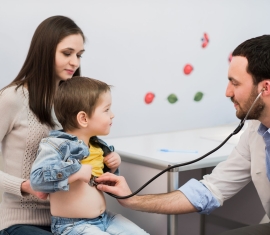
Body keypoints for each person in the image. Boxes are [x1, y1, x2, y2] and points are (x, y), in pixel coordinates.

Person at [95, 34, 270, 235]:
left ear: (264, 87)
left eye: (235, 83)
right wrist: (132, 199)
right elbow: (210, 190)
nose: (227, 92)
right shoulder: (255, 131)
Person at [30, 76, 149, 235]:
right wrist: (76, 172)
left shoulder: (98, 146)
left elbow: (101, 181)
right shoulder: (55, 145)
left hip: (105, 218)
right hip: (72, 225)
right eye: (106, 109)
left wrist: (112, 166)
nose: (112, 115)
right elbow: (37, 180)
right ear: (83, 118)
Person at [0, 15, 85, 235]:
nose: (75, 62)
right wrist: (23, 186)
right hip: (20, 222)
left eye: (79, 55)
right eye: (67, 53)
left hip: (69, 219)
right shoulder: (13, 98)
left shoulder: (74, 104)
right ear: (45, 51)